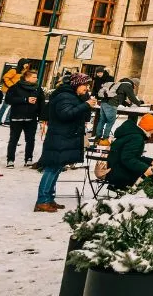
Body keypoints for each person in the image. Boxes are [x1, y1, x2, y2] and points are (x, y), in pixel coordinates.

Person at [35, 72, 96, 212]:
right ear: (76, 84)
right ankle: (42, 200)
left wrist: (86, 103)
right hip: (60, 137)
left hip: (65, 136)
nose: (86, 88)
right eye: (84, 85)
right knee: (51, 169)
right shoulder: (64, 96)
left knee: (56, 168)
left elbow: (81, 115)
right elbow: (65, 114)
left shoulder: (73, 96)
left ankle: (49, 198)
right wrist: (85, 104)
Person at [106, 114, 153, 190]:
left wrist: (150, 161)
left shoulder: (131, 133)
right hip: (119, 173)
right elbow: (127, 159)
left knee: (151, 171)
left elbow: (132, 156)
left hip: (115, 168)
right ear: (151, 129)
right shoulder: (137, 137)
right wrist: (146, 168)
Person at [5, 69, 43, 167]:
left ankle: (28, 159)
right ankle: (10, 160)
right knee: (14, 139)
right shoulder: (15, 87)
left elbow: (41, 103)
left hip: (31, 118)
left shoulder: (37, 89)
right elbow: (8, 100)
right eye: (34, 77)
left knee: (30, 139)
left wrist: (42, 116)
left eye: (36, 77)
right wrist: (25, 99)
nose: (36, 79)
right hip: (17, 117)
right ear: (27, 78)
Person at [0, 60, 26, 126]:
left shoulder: (24, 72)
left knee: (12, 105)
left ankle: (6, 120)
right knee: (6, 105)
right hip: (8, 90)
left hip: (16, 91)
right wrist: (11, 86)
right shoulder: (14, 70)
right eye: (26, 63)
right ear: (22, 64)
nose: (27, 65)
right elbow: (5, 77)